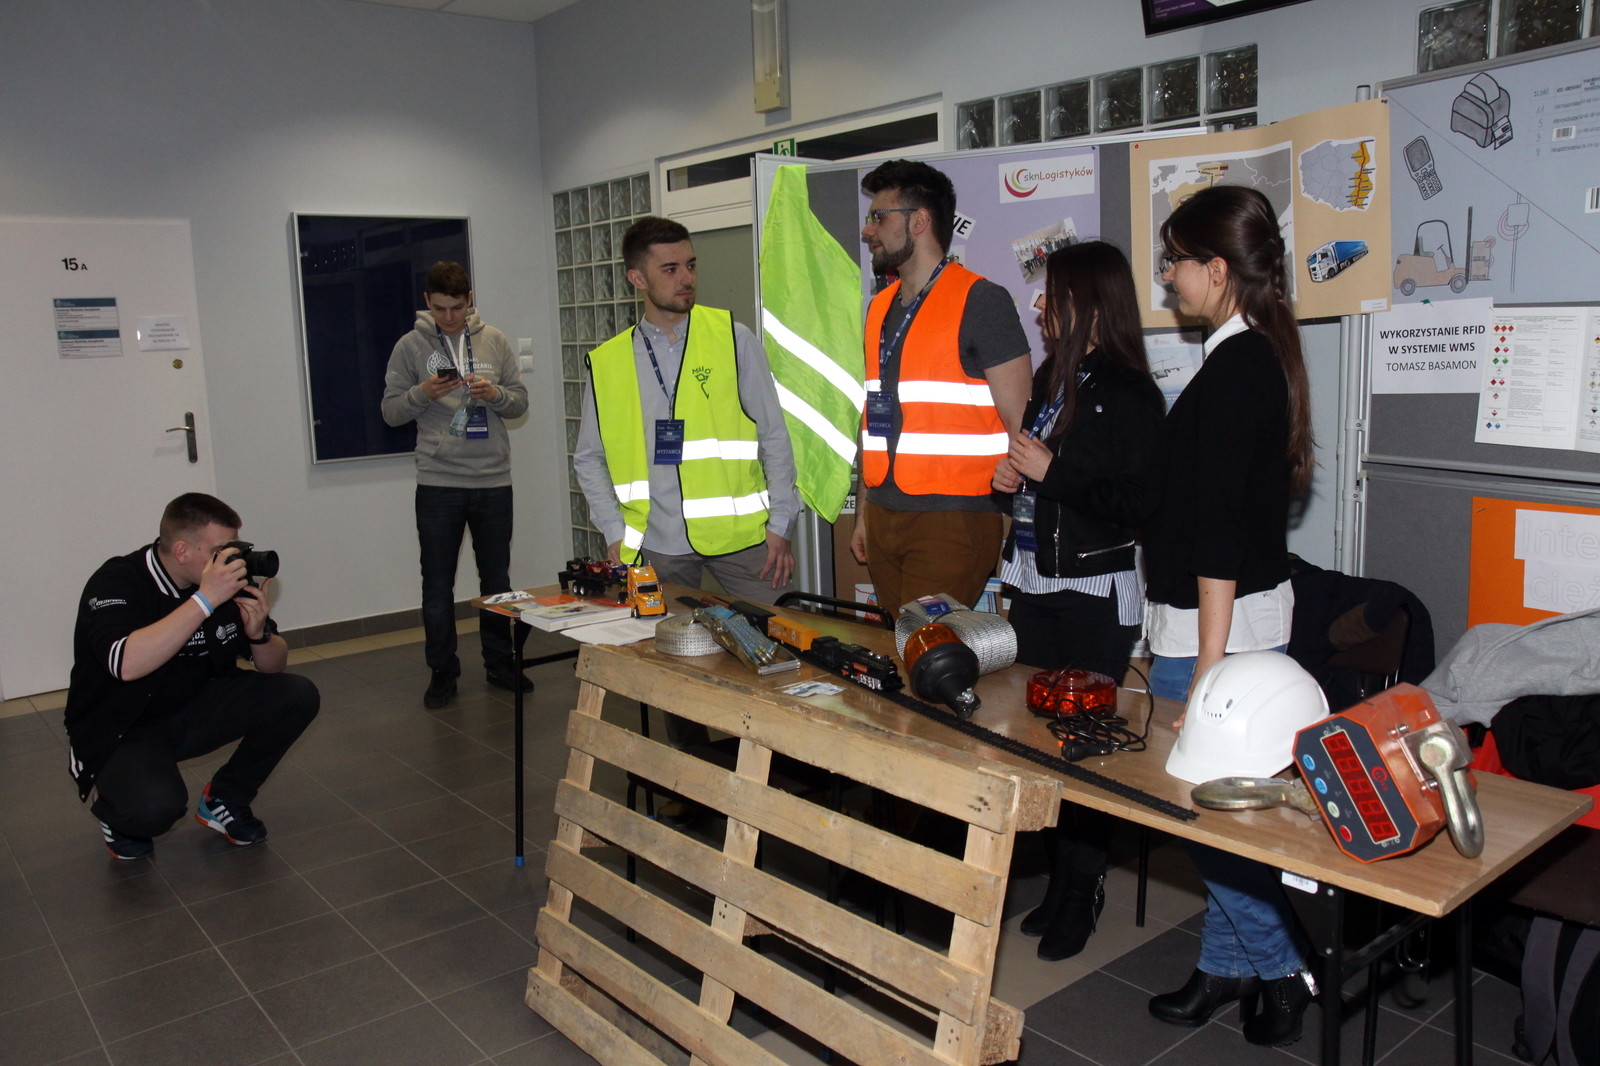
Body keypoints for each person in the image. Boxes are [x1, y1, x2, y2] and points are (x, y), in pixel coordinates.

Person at [1140, 185, 1320, 1046]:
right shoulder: (1249, 358)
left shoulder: (1238, 367)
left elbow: (1216, 535)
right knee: (1217, 820)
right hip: (1227, 624)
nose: (1167, 277)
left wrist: (1206, 669)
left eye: (1175, 261)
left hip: (1220, 634)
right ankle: (1225, 965)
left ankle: (1283, 970)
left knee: (1204, 819)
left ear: (1217, 269)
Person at [991, 241, 1165, 961]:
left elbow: (1139, 504)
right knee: (1038, 738)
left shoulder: (1131, 392)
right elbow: (1039, 473)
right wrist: (1008, 481)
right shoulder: (1052, 376)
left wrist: (1050, 472)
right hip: (1035, 583)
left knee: (1084, 749)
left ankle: (1080, 889)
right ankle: (1059, 883)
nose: (1041, 306)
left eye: (1053, 294)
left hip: (1095, 593)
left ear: (1089, 302)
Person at [64, 494, 320, 859]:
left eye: (234, 548)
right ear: (182, 551)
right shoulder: (118, 582)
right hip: (123, 724)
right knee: (153, 810)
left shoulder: (227, 583)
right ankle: (117, 811)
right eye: (219, 551)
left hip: (193, 705)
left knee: (297, 694)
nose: (231, 560)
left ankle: (225, 798)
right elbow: (125, 664)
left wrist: (259, 634)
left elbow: (273, 666)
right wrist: (204, 600)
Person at [573, 216, 799, 605]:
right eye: (670, 269)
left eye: (691, 265)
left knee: (781, 629)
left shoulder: (734, 338)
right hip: (656, 543)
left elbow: (774, 435)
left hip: (742, 538)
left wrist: (781, 523)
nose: (686, 278)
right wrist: (615, 532)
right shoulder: (608, 362)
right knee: (664, 639)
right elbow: (589, 458)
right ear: (638, 279)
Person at [851, 159, 1033, 615]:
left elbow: (1022, 422)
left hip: (954, 517)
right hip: (883, 513)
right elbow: (873, 416)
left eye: (879, 217)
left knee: (929, 647)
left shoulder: (981, 300)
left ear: (919, 221)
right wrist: (865, 512)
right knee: (901, 645)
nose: (867, 230)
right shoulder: (878, 307)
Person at [382, 261, 530, 709]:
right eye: (440, 308)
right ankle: (442, 673)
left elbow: (519, 403)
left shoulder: (495, 340)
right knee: (437, 585)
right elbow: (390, 412)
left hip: (493, 480)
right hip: (439, 482)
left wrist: (495, 395)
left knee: (497, 581)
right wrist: (422, 393)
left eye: (457, 308)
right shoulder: (409, 346)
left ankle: (500, 664)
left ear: (469, 300)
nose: (449, 317)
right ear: (427, 301)